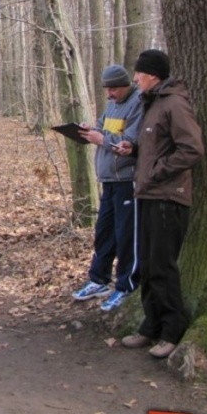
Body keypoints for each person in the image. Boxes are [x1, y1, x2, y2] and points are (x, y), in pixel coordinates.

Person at [117, 49, 204, 359]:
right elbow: (154, 145)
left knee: (163, 266)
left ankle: (172, 330)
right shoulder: (151, 104)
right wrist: (134, 148)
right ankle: (150, 326)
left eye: (139, 73)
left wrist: (156, 171)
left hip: (169, 197)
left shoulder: (175, 104)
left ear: (152, 74)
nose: (135, 77)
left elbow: (191, 149)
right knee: (149, 266)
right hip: (148, 195)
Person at [72, 65, 143, 311]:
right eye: (107, 89)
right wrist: (90, 131)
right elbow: (103, 128)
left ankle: (126, 286)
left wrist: (102, 139)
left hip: (127, 178)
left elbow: (132, 142)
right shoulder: (113, 105)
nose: (110, 93)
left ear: (125, 85)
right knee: (104, 232)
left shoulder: (138, 103)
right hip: (109, 179)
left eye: (113, 88)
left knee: (126, 236)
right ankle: (98, 279)